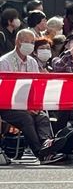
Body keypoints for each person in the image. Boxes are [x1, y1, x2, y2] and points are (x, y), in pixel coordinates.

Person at [0, 29, 53, 162]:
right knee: (25, 118)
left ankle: (48, 147)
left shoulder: (32, 62)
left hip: (28, 104)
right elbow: (5, 92)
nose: (30, 45)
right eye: (27, 42)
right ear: (18, 42)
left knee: (42, 117)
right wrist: (24, 107)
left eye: (32, 42)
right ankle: (39, 153)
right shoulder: (4, 62)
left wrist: (35, 105)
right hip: (8, 106)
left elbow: (35, 87)